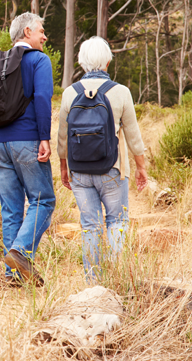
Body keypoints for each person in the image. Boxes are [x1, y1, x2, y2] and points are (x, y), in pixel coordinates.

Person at [0, 12, 56, 286]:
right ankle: (20, 252)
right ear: (27, 31)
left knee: (11, 209)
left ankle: (13, 275)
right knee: (43, 200)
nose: (44, 36)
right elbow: (42, 97)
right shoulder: (39, 60)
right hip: (26, 140)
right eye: (41, 31)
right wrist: (44, 137)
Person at [57, 36, 148, 281]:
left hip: (80, 172)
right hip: (113, 169)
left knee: (90, 226)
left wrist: (64, 168)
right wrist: (141, 167)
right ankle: (117, 279)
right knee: (117, 221)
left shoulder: (69, 93)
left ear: (82, 62)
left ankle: (92, 282)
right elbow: (133, 134)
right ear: (107, 61)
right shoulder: (121, 92)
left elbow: (62, 137)